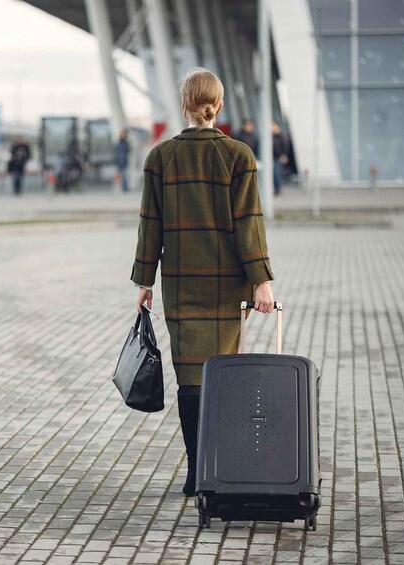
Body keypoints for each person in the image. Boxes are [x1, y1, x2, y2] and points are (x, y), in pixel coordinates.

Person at [131, 68, 275, 497]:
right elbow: (249, 224)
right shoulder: (239, 155)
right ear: (219, 104)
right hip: (228, 286)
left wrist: (145, 280)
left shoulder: (160, 157)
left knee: (190, 379)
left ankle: (197, 472)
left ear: (184, 105)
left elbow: (149, 226)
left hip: (181, 284)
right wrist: (262, 282)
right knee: (223, 375)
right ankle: (218, 470)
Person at [272, 122, 290, 195]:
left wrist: (284, 155)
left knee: (277, 173)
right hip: (270, 158)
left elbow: (286, 147)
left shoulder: (282, 137)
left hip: (278, 157)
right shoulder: (269, 137)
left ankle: (278, 188)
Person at [114, 129, 131, 193]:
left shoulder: (126, 143)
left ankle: (125, 187)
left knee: (125, 175)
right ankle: (122, 187)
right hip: (119, 161)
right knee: (121, 175)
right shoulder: (118, 143)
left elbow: (128, 151)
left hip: (124, 161)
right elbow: (116, 152)